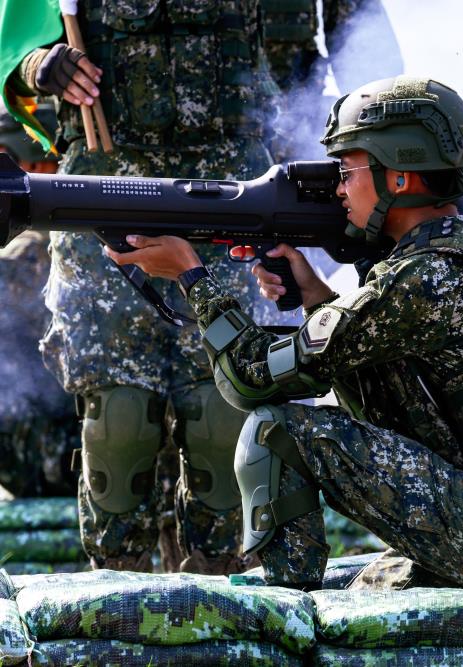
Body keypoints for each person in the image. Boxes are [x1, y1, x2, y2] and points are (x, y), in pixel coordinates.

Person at [106, 75, 463, 597]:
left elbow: (248, 380)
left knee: (276, 431)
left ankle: (287, 607)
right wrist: (315, 295)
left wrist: (190, 275)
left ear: (400, 174)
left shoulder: (421, 276)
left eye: (348, 169)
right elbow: (380, 352)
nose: (338, 187)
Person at [5, 0, 309, 573]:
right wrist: (41, 66)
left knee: (224, 414)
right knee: (118, 422)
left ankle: (221, 600)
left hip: (233, 188)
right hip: (105, 184)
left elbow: (318, 56)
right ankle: (118, 601)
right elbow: (16, 42)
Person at [0, 232, 78, 499]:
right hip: (26, 471)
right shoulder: (7, 327)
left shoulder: (68, 314)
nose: (16, 284)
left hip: (76, 460)